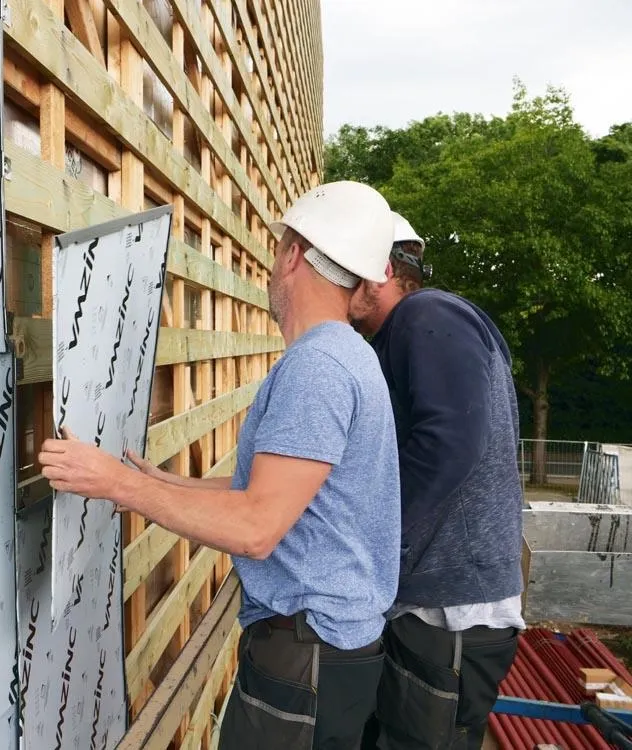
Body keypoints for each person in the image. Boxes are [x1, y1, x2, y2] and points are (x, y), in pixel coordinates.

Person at [40, 181, 402, 749]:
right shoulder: (346, 355)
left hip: (308, 656)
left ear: (292, 254)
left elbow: (255, 528)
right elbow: (285, 493)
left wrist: (114, 483)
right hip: (328, 654)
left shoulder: (318, 369)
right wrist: (161, 483)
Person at [349, 212, 524, 750]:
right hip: (433, 607)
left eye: (340, 267)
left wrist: (363, 538)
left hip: (451, 615)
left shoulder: (428, 314)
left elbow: (448, 444)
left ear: (377, 269)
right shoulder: (400, 335)